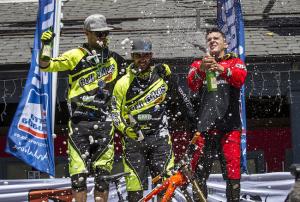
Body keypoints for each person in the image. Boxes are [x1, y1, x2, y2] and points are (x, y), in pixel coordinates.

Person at [39, 14, 127, 202]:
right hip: (80, 123)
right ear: (86, 33)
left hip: (105, 123)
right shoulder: (75, 55)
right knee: (78, 179)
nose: (102, 37)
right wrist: (45, 46)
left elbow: (134, 76)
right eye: (98, 34)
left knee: (102, 178)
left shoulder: (114, 59)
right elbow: (45, 66)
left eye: (104, 33)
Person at [111, 38, 197, 201]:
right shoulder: (122, 83)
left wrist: (192, 120)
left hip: (160, 139)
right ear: (132, 56)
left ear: (151, 55)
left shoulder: (162, 74)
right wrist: (125, 130)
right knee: (134, 192)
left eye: (145, 55)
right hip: (134, 142)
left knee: (166, 188)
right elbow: (115, 112)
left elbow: (181, 98)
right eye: (138, 55)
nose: (142, 59)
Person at [187, 27, 247, 202]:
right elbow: (191, 85)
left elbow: (240, 77)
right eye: (209, 39)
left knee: (233, 172)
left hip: (230, 127)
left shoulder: (234, 61)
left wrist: (222, 69)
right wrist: (202, 71)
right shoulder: (198, 64)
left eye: (216, 38)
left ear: (225, 43)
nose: (212, 41)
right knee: (198, 172)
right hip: (204, 128)